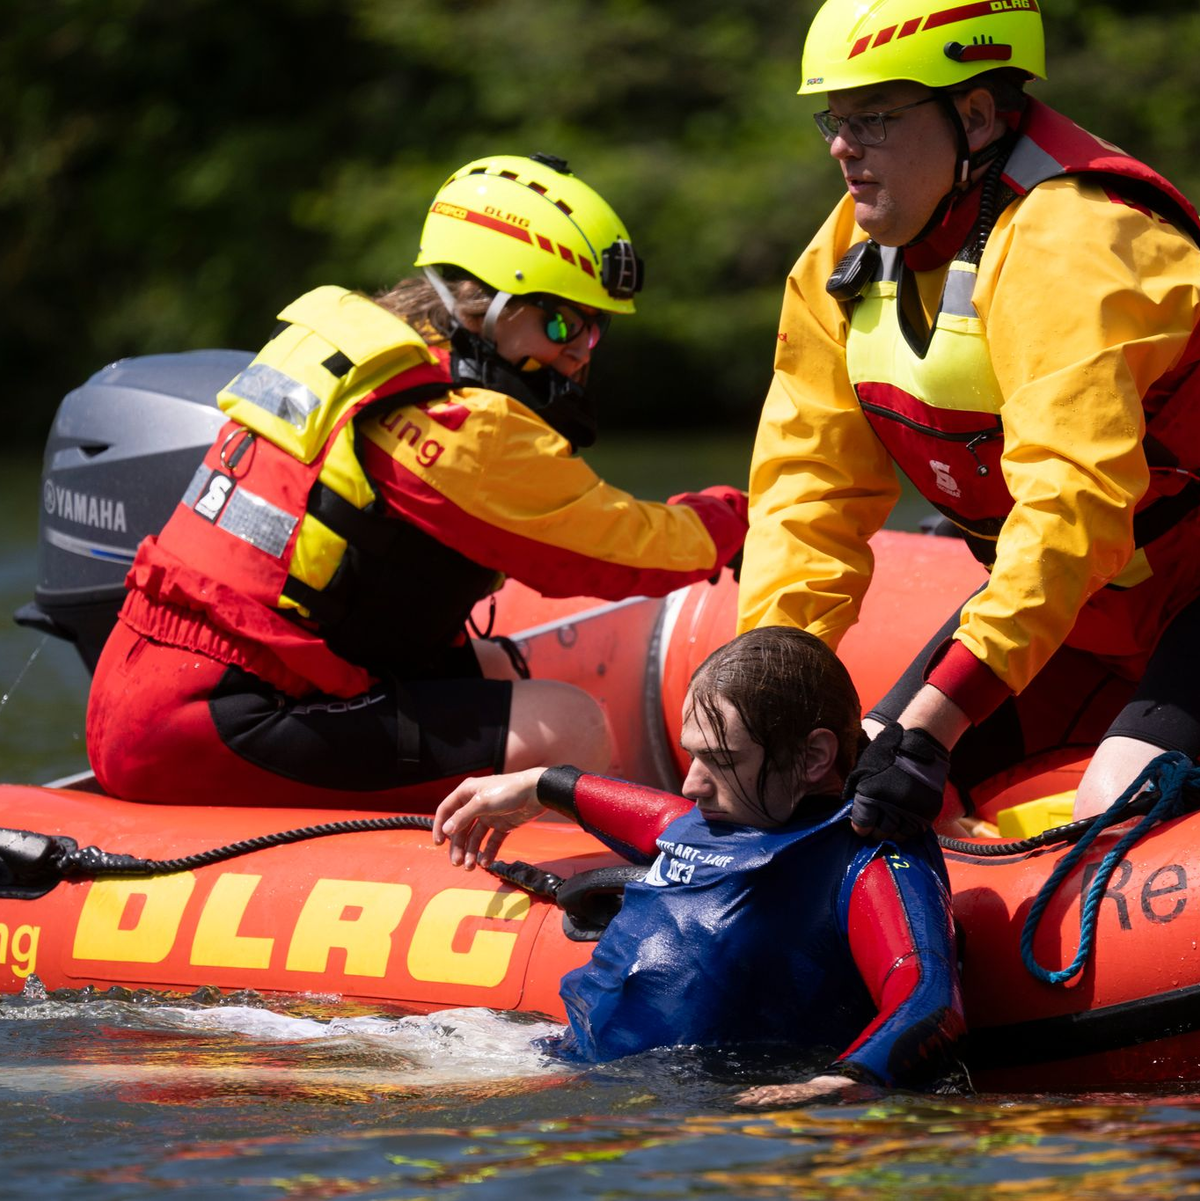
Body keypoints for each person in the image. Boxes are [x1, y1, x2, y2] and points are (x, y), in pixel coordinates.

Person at [86, 153, 746, 809]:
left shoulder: (374, 363)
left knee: (493, 666)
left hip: (157, 686)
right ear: (488, 305)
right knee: (572, 726)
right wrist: (741, 516)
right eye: (560, 321)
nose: (579, 349)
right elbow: (628, 550)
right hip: (216, 716)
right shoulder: (458, 425)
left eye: (593, 327)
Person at [737, 0, 1200, 833]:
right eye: (833, 121)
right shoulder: (838, 261)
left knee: (1115, 801)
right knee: (843, 784)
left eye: (872, 119)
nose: (844, 147)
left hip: (1180, 590)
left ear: (977, 115)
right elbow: (805, 495)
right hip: (1086, 611)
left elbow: (1074, 505)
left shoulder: (1075, 238)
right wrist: (764, 691)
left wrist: (937, 720)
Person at [433, 627, 965, 1101]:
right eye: (693, 755)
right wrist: (541, 782)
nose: (691, 783)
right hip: (551, 1054)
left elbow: (927, 997)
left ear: (814, 758)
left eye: (722, 760)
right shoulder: (722, 814)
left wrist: (848, 1078)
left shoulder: (861, 857)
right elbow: (661, 819)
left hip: (670, 1102)